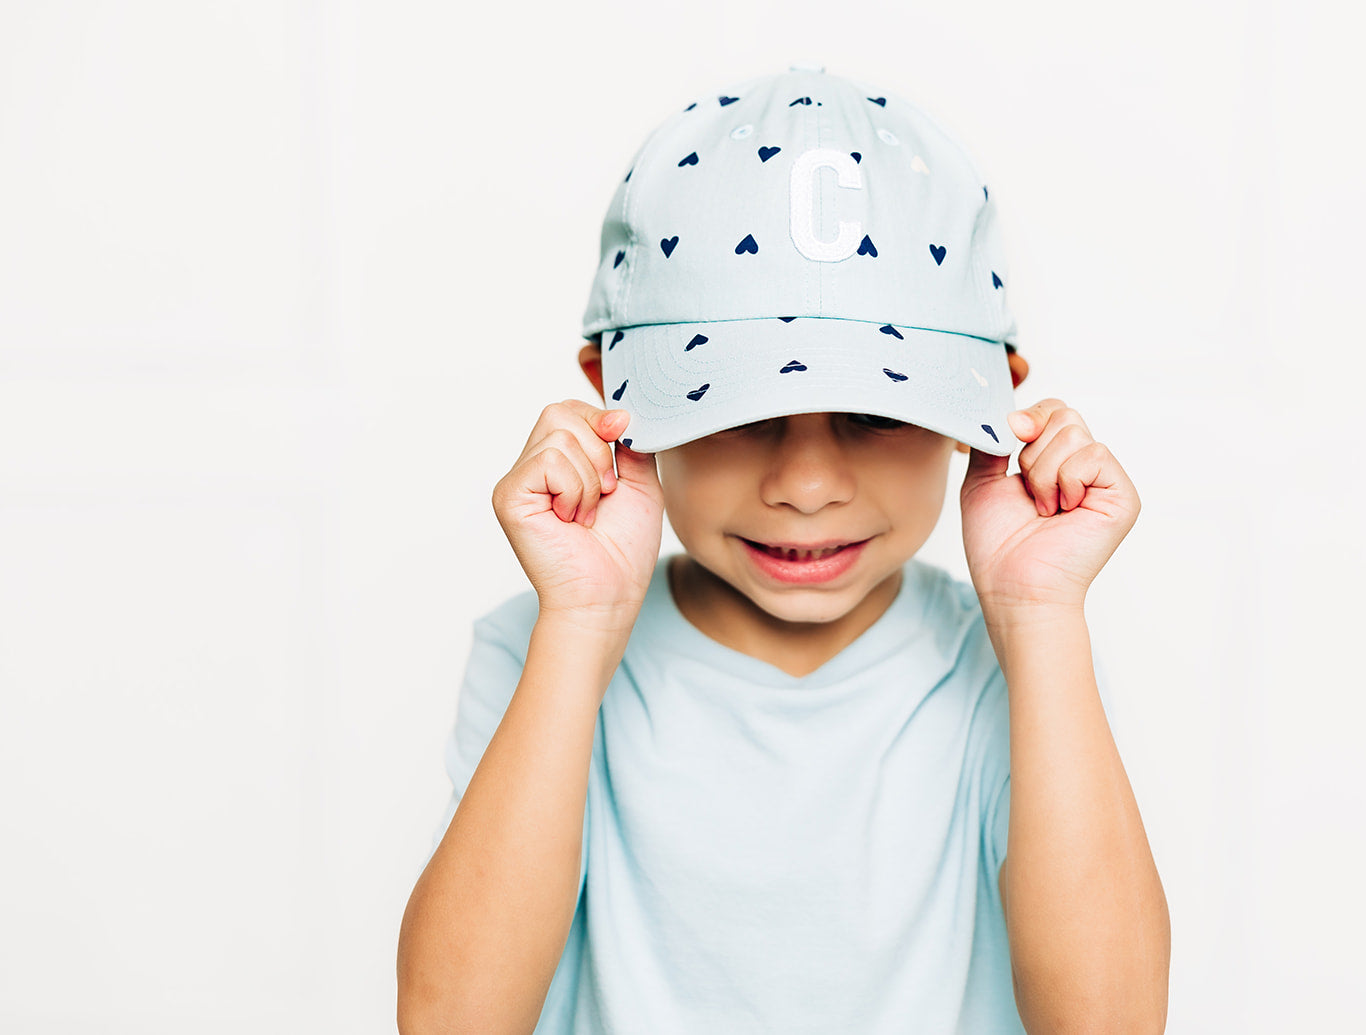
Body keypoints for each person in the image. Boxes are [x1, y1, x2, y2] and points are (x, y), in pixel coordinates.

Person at [397, 62, 1170, 1034]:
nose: (806, 485)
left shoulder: (1010, 666)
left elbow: (1110, 1022)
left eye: (870, 413)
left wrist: (1042, 617)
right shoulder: (543, 645)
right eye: (739, 410)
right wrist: (580, 622)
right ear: (614, 392)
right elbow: (451, 1020)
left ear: (981, 406)